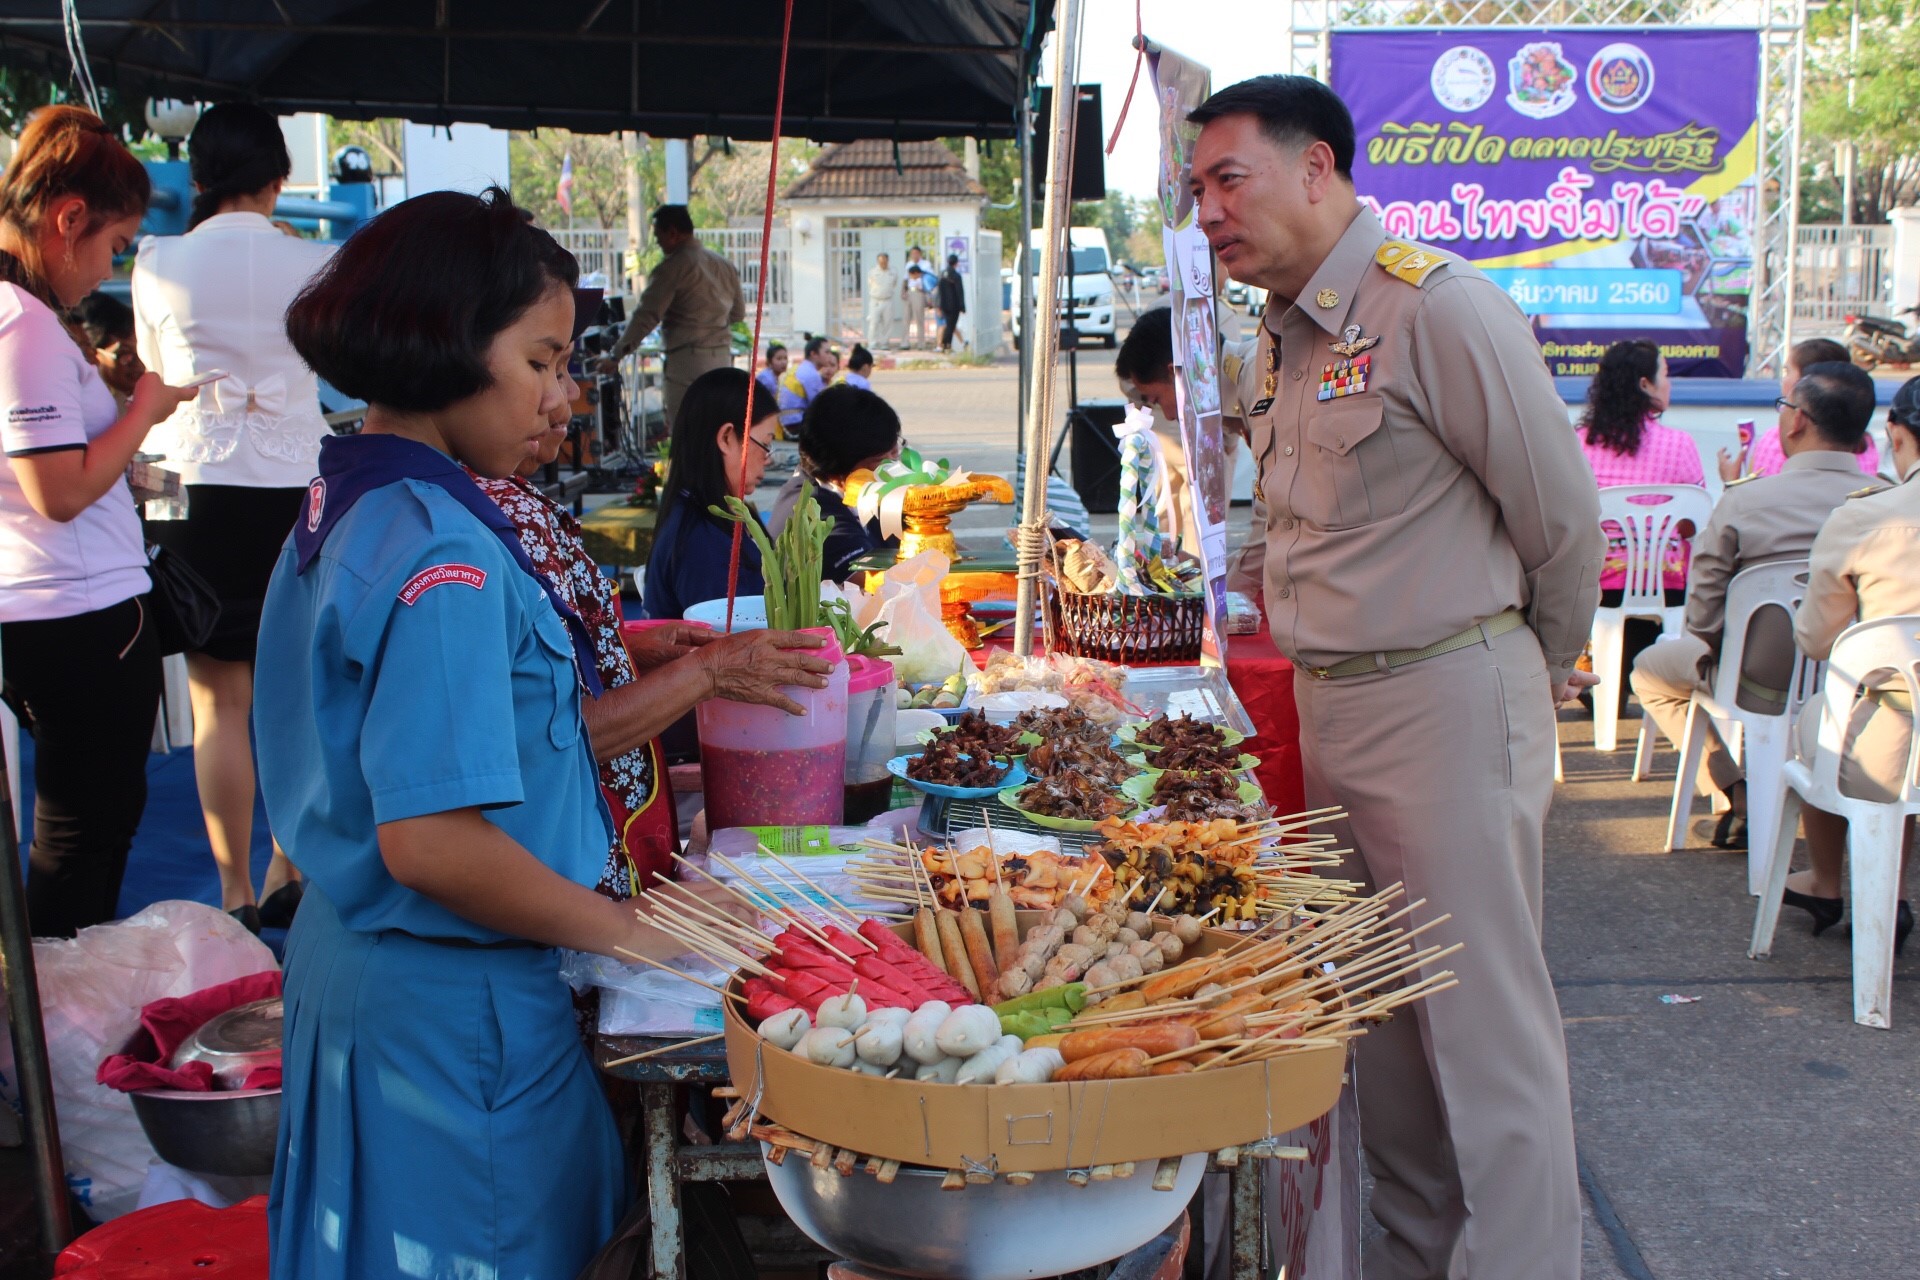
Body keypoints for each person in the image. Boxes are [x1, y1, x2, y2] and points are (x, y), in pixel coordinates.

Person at [257, 187, 777, 1279]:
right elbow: (436, 842)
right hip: (453, 1001)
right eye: (542, 362)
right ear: (450, 346)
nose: (566, 393)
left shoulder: (352, 503)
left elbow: (493, 718)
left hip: (370, 974)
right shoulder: (441, 547)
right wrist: (638, 933)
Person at [1192, 76, 1604, 1278]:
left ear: (1316, 166)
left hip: (1446, 702)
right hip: (1335, 713)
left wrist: (1538, 669)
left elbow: (1562, 520)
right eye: (1197, 190)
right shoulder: (1278, 332)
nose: (1209, 212)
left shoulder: (1438, 310)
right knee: (1392, 1047)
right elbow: (1286, 525)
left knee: (1488, 1051)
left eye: (1230, 180)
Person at [476, 293, 834, 903]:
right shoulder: (460, 538)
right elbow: (537, 733)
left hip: (622, 828)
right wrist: (709, 669)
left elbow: (545, 667)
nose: (563, 403)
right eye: (544, 367)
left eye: (563, 371)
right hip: (569, 864)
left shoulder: (507, 506)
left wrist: (628, 647)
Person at [132, 101, 336, 932]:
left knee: (220, 703)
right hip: (296, 482)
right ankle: (289, 864)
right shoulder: (317, 263)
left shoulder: (157, 260)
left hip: (190, 485)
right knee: (298, 693)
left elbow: (152, 377)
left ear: (198, 176)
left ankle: (234, 892)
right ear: (280, 178)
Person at [0, 107, 195, 938]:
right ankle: (52, 1040)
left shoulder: (22, 320)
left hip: (51, 604)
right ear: (68, 220)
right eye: (112, 246)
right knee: (86, 841)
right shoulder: (23, 324)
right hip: (78, 615)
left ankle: (45, 1028)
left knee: (81, 837)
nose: (107, 270)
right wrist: (144, 410)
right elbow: (59, 491)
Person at [1631, 361, 1882, 850]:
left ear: (1797, 421)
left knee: (1647, 672)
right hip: (1855, 686)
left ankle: (1734, 790)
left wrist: (1714, 649)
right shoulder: (1887, 502)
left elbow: (1703, 616)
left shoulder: (1745, 501)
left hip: (1754, 682)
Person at [1775, 374, 1920, 954]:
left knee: (1829, 717)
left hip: (1891, 741)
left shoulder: (1864, 518)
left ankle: (1831, 882)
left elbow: (1814, 641)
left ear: (1896, 432)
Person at [1576, 338, 1708, 707]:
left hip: (1595, 583)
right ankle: (1635, 677)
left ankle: (1606, 682)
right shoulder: (1679, 445)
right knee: (1652, 570)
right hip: (1668, 587)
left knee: (1617, 578)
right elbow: (1689, 526)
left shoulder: (1579, 443)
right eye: (1665, 375)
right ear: (1645, 385)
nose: (1670, 383)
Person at [642, 366, 780, 620]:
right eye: (766, 444)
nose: (768, 459)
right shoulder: (703, 543)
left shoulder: (718, 515)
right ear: (727, 438)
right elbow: (731, 646)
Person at [596, 204, 745, 424]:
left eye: (659, 236)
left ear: (673, 233)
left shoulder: (672, 268)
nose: (657, 242)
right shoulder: (723, 265)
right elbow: (738, 314)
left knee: (687, 432)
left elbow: (646, 317)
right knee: (717, 431)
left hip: (687, 363)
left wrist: (616, 355)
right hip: (722, 358)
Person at [769, 383, 903, 582]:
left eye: (896, 450)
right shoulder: (811, 511)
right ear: (838, 468)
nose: (894, 465)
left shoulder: (868, 493)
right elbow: (873, 583)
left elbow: (932, 544)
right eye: (882, 459)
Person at [1722, 337, 1878, 481]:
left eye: (1787, 371)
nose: (1782, 379)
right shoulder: (1868, 448)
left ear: (1807, 382)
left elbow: (1754, 495)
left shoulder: (1774, 442)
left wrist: (1731, 483)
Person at [74, 292, 144, 406]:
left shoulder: (155, 396)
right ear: (92, 354)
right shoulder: (82, 403)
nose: (139, 363)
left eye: (142, 352)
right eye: (126, 355)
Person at [777, 334, 835, 426]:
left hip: (788, 421)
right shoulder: (811, 373)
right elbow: (819, 406)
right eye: (827, 352)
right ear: (813, 354)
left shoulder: (801, 368)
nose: (830, 356)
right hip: (795, 424)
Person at [864, 251, 899, 349]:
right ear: (878, 261)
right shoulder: (872, 272)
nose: (883, 263)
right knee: (874, 323)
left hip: (888, 300)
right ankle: (872, 343)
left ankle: (884, 343)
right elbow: (870, 284)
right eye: (880, 261)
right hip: (876, 301)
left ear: (888, 261)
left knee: (887, 323)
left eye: (884, 261)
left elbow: (894, 284)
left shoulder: (893, 271)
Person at [935, 254, 966, 352]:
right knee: (951, 326)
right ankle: (946, 345)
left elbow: (939, 292)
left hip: (944, 305)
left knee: (948, 325)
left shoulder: (942, 274)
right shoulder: (956, 276)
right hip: (954, 306)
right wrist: (962, 306)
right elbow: (959, 292)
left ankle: (945, 345)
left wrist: (938, 305)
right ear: (956, 263)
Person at [757, 341, 791, 424]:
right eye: (779, 359)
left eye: (785, 358)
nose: (783, 362)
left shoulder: (774, 377)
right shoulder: (767, 379)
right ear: (769, 362)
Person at [903, 261, 931, 347]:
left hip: (918, 295)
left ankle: (921, 343)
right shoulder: (907, 280)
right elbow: (904, 288)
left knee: (919, 320)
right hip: (909, 296)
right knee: (906, 319)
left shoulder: (923, 280)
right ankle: (905, 342)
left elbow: (927, 290)